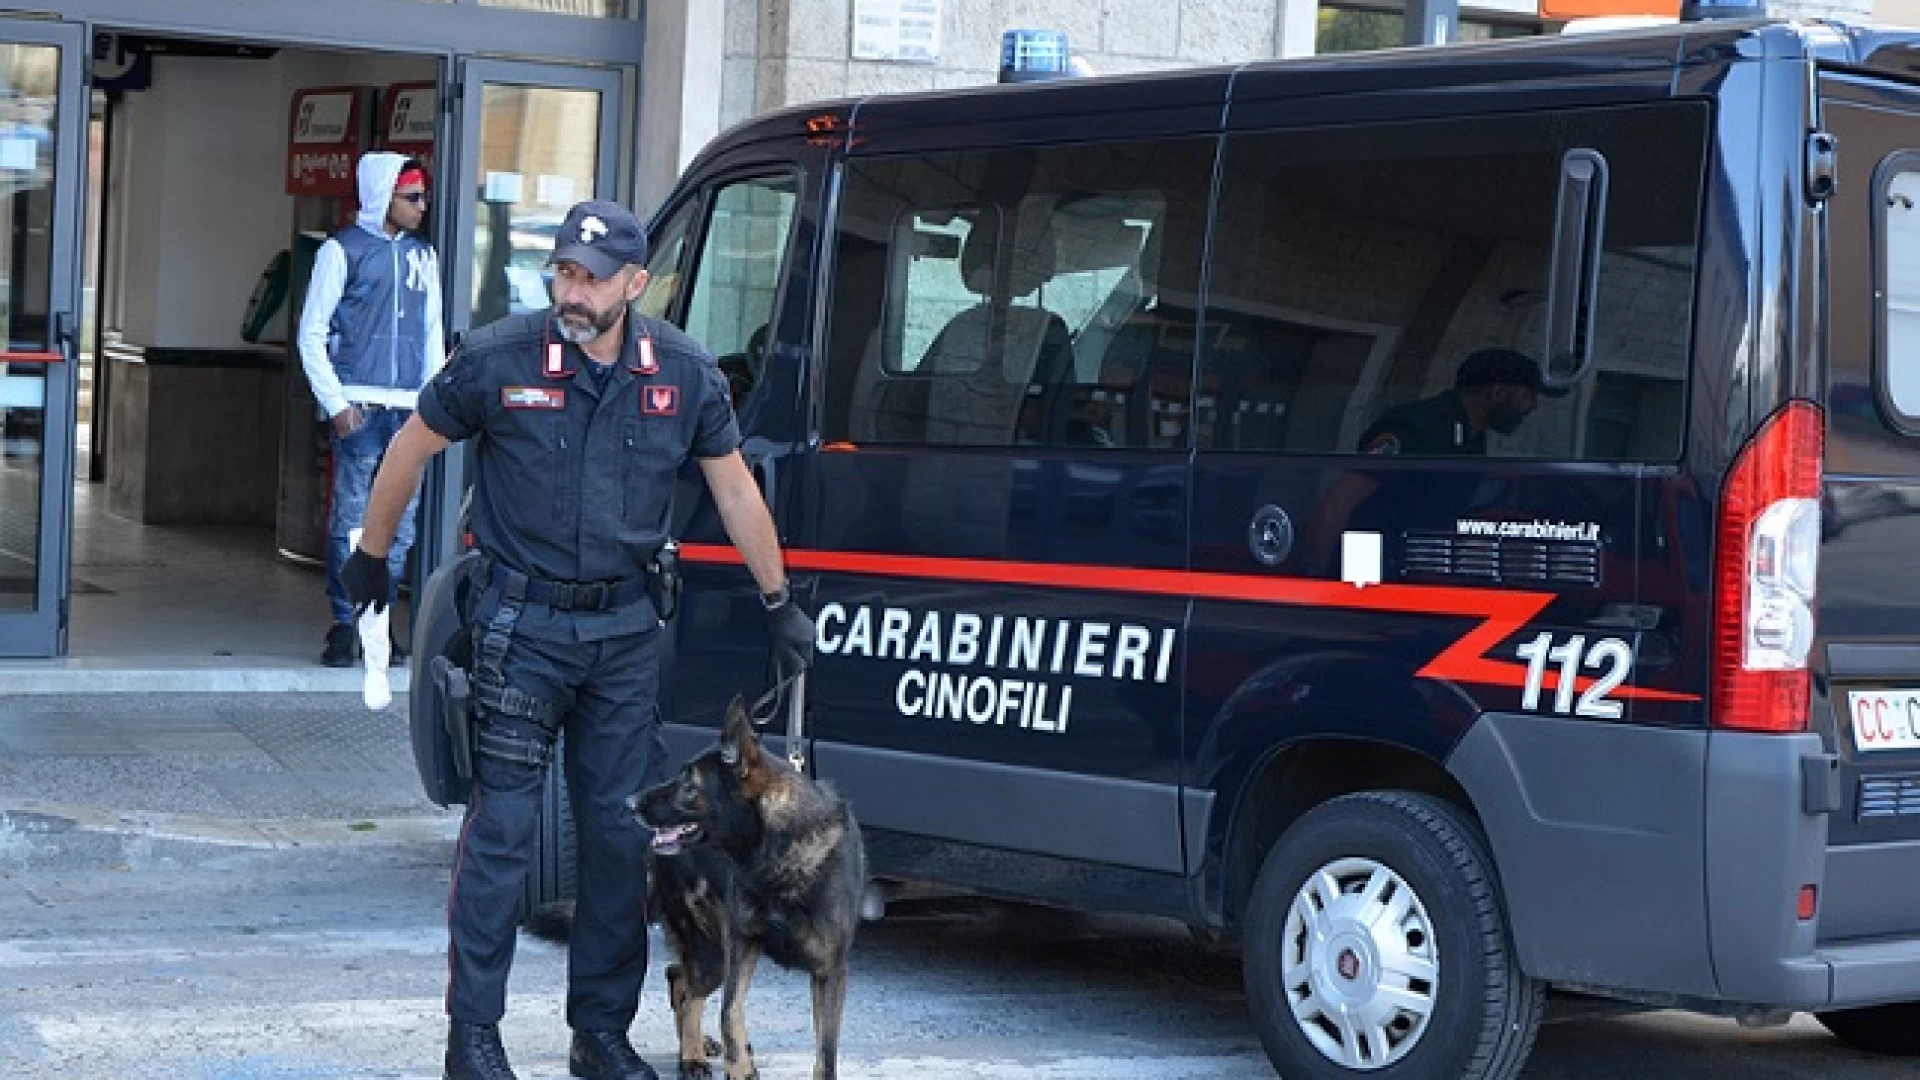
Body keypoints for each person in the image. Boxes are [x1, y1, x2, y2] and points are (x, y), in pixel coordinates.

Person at [339, 199, 816, 1080]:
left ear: (636, 283)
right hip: (521, 630)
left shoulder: (682, 371)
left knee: (620, 838)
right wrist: (371, 559)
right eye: (563, 271)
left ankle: (600, 1034)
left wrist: (779, 599)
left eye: (592, 278)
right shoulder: (499, 357)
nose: (573, 290)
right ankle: (471, 1039)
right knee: (503, 836)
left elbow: (737, 489)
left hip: (627, 636)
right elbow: (408, 448)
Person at [298, 151, 444, 667]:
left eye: (422, 196)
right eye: (412, 197)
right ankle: (345, 624)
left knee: (399, 526)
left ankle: (376, 624)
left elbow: (432, 336)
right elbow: (311, 332)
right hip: (359, 406)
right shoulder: (341, 251)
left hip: (409, 413)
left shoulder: (424, 255)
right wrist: (336, 405)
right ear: (384, 195)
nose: (422, 206)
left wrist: (431, 407)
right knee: (353, 520)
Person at [1300, 347, 1566, 570]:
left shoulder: (1471, 437)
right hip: (1368, 570)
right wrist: (1316, 576)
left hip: (1414, 569)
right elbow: (1339, 499)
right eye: (1527, 395)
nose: (1532, 407)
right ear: (1496, 393)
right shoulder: (1417, 426)